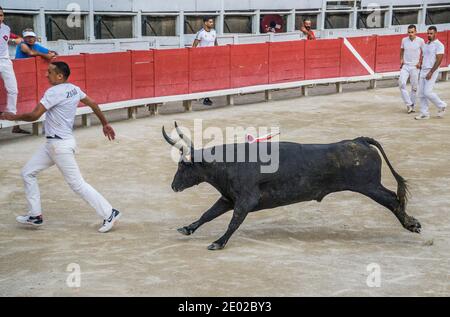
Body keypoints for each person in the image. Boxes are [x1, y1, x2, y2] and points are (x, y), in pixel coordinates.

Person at [0, 61, 121, 232]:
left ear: (59, 76)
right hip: (54, 144)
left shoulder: (53, 92)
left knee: (77, 184)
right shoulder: (74, 89)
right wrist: (105, 124)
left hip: (59, 146)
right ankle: (35, 215)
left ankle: (110, 213)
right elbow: (93, 103)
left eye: (49, 72)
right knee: (27, 172)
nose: (45, 75)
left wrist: (13, 117)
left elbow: (35, 115)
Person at [0, 6, 26, 134]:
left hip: (5, 60)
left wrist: (17, 39)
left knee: (13, 89)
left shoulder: (6, 28)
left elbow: (11, 37)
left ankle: (11, 113)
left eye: (1, 15)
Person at [415, 26, 447, 120]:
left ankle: (442, 105)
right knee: (421, 93)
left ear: (435, 33)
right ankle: (424, 113)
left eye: (431, 33)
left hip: (431, 70)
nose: (429, 35)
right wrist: (420, 63)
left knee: (427, 92)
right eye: (428, 33)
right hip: (423, 70)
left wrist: (431, 72)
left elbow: (439, 60)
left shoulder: (439, 45)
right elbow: (424, 56)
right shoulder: (426, 44)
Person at [193, 16, 218, 106]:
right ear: (205, 23)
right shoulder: (201, 33)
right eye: (210, 22)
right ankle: (204, 97)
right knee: (205, 77)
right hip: (203, 59)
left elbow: (215, 44)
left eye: (212, 22)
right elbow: (194, 46)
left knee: (210, 77)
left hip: (212, 58)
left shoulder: (214, 32)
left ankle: (206, 96)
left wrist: (217, 55)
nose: (212, 23)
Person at [399, 25, 424, 114]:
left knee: (414, 87)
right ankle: (409, 104)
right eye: (409, 32)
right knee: (401, 84)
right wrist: (401, 59)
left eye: (412, 32)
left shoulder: (421, 41)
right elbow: (401, 50)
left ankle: (412, 105)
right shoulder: (404, 40)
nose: (410, 34)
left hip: (415, 66)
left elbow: (424, 53)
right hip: (405, 65)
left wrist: (420, 62)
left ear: (415, 32)